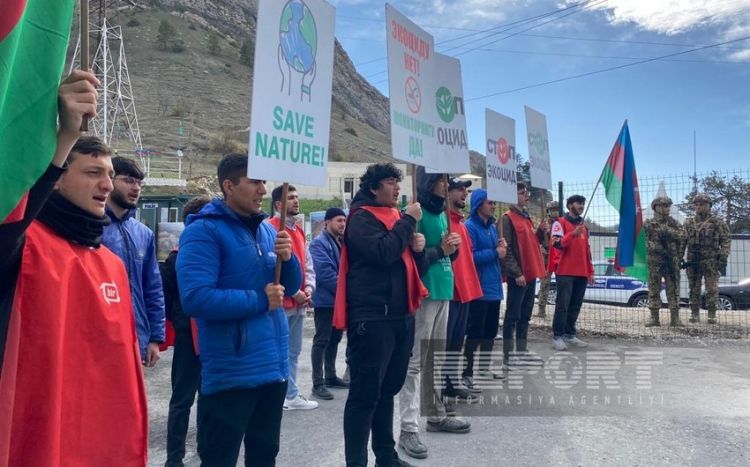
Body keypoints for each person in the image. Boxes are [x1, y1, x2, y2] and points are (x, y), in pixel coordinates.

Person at [0, 71, 147, 465]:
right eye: (93, 172)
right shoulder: (24, 244)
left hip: (101, 445)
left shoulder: (110, 262)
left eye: (111, 175)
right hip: (35, 443)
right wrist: (64, 137)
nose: (107, 184)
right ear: (59, 180)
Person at [176, 153, 302, 467]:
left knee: (264, 457)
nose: (263, 190)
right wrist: (260, 300)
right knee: (219, 459)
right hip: (232, 375)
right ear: (229, 186)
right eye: (255, 182)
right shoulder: (203, 232)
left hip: (272, 372)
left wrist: (289, 259)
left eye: (264, 181)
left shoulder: (267, 231)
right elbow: (195, 298)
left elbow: (291, 283)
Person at [333, 162, 427, 467]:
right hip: (372, 319)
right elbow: (384, 254)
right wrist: (408, 224)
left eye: (397, 182)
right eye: (390, 182)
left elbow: (413, 271)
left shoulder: (397, 218)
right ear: (373, 188)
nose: (397, 188)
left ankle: (385, 456)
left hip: (401, 317)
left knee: (387, 390)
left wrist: (419, 250)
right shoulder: (361, 219)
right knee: (364, 397)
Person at [398, 168, 470, 461]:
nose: (446, 185)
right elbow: (413, 258)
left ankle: (436, 415)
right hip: (424, 293)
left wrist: (451, 250)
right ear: (429, 183)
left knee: (436, 358)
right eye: (441, 181)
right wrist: (435, 249)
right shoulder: (415, 213)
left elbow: (442, 252)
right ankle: (407, 428)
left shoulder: (442, 212)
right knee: (415, 362)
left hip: (444, 289)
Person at [163, 195, 211, 467]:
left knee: (208, 398)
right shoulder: (175, 258)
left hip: (208, 335)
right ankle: (174, 459)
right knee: (182, 400)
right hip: (187, 338)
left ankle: (206, 453)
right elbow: (167, 300)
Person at [103, 156, 166, 366]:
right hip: (101, 334)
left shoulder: (144, 234)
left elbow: (153, 288)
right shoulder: (91, 226)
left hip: (136, 336)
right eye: (129, 180)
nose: (136, 188)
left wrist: (155, 338)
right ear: (109, 180)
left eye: (139, 183)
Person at [268, 185, 318, 411]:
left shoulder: (297, 231)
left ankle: (291, 394)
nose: (296, 201)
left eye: (297, 197)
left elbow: (308, 264)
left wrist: (309, 288)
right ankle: (277, 395)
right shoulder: (269, 229)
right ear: (279, 204)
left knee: (294, 351)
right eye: (291, 197)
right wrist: (294, 293)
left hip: (299, 304)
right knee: (277, 349)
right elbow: (270, 268)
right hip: (281, 304)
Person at [442, 177, 483, 400]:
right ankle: (441, 386)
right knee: (444, 342)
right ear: (446, 193)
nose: (464, 194)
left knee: (456, 342)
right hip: (449, 291)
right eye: (459, 190)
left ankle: (451, 382)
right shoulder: (444, 220)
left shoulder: (461, 224)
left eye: (465, 191)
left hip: (463, 292)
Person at [463, 188, 506, 391]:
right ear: (479, 204)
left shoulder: (492, 227)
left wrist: (501, 248)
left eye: (494, 203)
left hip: (493, 289)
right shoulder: (470, 227)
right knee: (475, 333)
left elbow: (495, 254)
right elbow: (470, 258)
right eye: (490, 202)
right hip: (479, 289)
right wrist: (495, 252)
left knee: (489, 331)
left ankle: (484, 367)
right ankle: (467, 372)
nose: (493, 206)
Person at [501, 183, 547, 368]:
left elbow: (533, 243)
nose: (526, 195)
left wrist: (540, 232)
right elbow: (507, 248)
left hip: (531, 274)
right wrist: (516, 272)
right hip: (519, 276)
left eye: (526, 192)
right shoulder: (507, 218)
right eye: (522, 193)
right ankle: (508, 355)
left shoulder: (526, 218)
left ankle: (521, 350)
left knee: (525, 314)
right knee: (513, 315)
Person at [309, 207, 348, 401]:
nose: (342, 224)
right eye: (339, 220)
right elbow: (325, 274)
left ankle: (331, 376)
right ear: (327, 222)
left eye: (344, 220)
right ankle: (318, 382)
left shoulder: (339, 242)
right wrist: (346, 293)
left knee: (335, 339)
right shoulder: (319, 243)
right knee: (322, 340)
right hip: (326, 301)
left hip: (337, 301)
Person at [549, 194, 594, 351]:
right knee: (563, 305)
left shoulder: (584, 227)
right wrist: (572, 234)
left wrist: (590, 271)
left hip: (581, 272)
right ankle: (558, 336)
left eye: (582, 203)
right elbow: (556, 245)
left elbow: (587, 251)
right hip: (565, 271)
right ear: (569, 205)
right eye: (578, 203)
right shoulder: (559, 223)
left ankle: (570, 334)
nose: (581, 206)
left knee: (575, 305)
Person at [683, 193, 731, 324]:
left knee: (712, 288)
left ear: (709, 205)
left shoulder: (717, 222)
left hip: (711, 260)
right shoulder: (688, 222)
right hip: (692, 260)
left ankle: (711, 314)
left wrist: (723, 256)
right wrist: (680, 257)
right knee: (694, 287)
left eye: (702, 204)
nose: (699, 207)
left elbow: (726, 240)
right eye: (696, 204)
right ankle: (694, 314)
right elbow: (682, 241)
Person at [644, 195, 685, 327]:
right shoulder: (649, 224)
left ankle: (675, 318)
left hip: (672, 261)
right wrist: (658, 248)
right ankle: (654, 318)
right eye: (663, 206)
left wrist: (667, 231)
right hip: (655, 262)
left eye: (668, 206)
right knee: (654, 289)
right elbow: (644, 242)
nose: (666, 208)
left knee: (673, 289)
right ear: (655, 207)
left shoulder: (674, 223)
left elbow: (683, 236)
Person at [536, 201, 559, 317]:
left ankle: (560, 312)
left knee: (563, 284)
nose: (555, 211)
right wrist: (540, 247)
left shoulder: (562, 224)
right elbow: (535, 240)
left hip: (559, 257)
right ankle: (541, 310)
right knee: (545, 284)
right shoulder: (544, 225)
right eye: (552, 209)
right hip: (546, 259)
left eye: (556, 209)